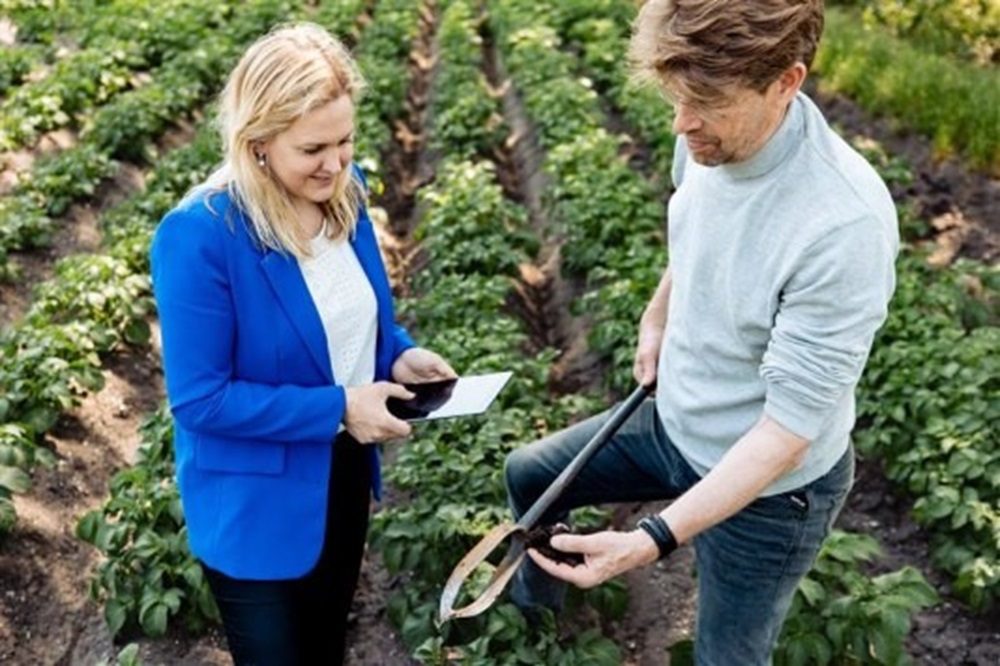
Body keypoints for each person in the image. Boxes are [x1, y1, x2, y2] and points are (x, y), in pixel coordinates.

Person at [504, 1, 899, 663]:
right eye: (676, 98)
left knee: (727, 655)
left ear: (786, 81)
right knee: (530, 476)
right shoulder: (703, 131)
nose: (682, 122)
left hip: (773, 487)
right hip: (677, 417)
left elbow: (784, 434)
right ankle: (536, 623)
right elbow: (698, 234)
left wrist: (651, 538)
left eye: (706, 102)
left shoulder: (842, 226)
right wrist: (659, 314)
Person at [150, 23, 454, 665]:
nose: (336, 162)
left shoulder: (346, 192)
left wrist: (396, 353)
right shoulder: (201, 235)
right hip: (254, 504)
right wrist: (340, 407)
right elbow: (201, 400)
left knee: (325, 649)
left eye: (345, 141)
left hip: (339, 475)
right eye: (313, 148)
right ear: (258, 143)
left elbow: (349, 316)